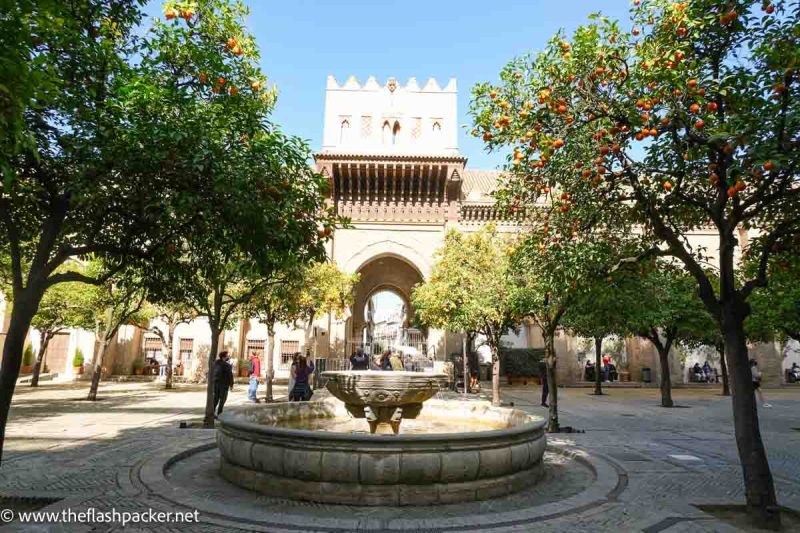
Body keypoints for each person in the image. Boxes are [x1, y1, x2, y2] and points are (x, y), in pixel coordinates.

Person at [212, 351, 234, 416]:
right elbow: (230, 375)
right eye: (227, 355)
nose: (228, 357)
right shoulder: (227, 365)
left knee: (215, 399)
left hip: (215, 384)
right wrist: (231, 384)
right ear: (224, 357)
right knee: (222, 400)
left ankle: (212, 413)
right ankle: (219, 413)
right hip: (224, 385)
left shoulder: (215, 363)